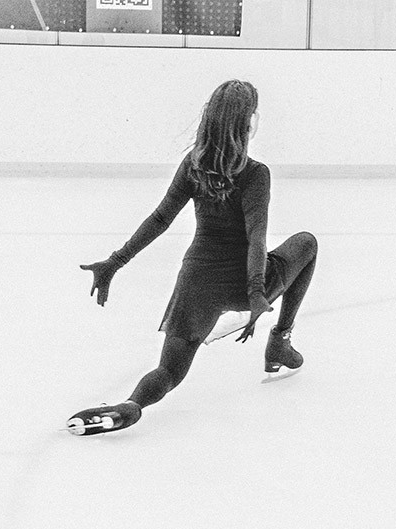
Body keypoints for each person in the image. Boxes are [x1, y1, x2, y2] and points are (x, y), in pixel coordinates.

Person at [67, 80, 318, 436]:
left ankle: (132, 405)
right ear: (248, 123)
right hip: (244, 283)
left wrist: (115, 262)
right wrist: (255, 293)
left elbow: (160, 218)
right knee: (306, 243)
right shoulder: (255, 173)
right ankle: (280, 340)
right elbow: (255, 237)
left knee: (169, 371)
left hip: (197, 284)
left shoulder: (194, 165)